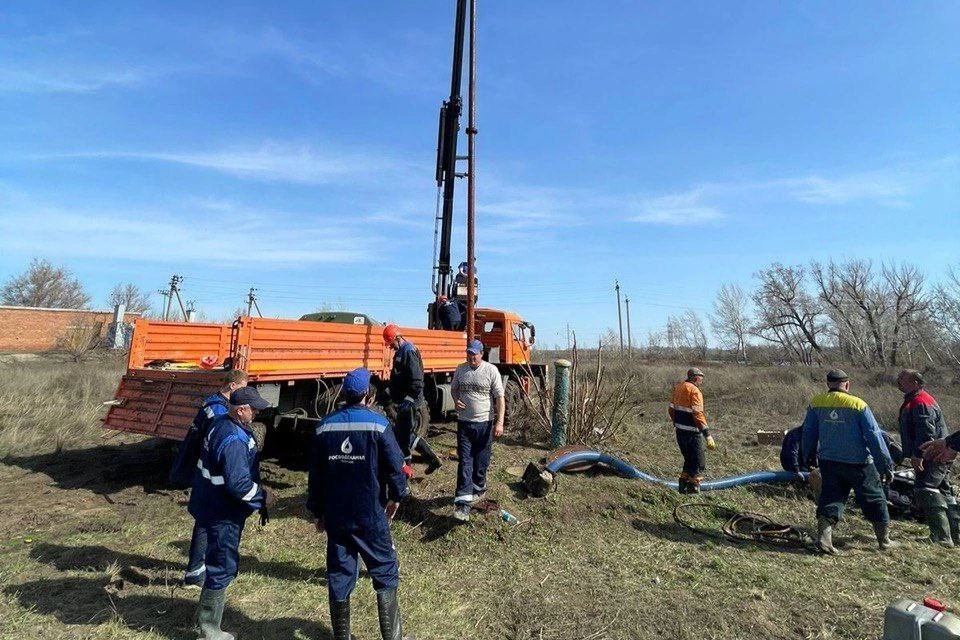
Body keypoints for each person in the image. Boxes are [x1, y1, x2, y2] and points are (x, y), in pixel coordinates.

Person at [307, 367, 411, 640]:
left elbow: (316, 475)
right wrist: (397, 497)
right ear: (368, 395)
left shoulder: (324, 426)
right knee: (385, 572)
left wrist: (317, 511)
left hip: (337, 516)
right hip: (370, 515)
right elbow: (396, 466)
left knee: (340, 574)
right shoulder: (378, 425)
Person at [188, 386, 275, 640]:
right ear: (240, 410)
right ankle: (210, 630)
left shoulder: (219, 423)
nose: (257, 412)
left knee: (218, 562)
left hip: (209, 504)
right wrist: (263, 497)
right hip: (223, 513)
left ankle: (205, 619)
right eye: (254, 408)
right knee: (222, 566)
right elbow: (238, 484)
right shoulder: (234, 440)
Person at [801, 369, 896, 554]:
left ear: (828, 384)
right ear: (847, 384)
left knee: (831, 498)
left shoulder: (816, 403)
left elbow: (808, 431)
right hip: (859, 463)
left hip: (829, 461)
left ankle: (824, 540)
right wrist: (885, 465)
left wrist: (809, 455)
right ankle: (884, 541)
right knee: (875, 499)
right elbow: (874, 436)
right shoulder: (858, 405)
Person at [170, 370, 249, 589]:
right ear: (233, 386)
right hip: (212, 478)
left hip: (205, 473)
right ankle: (197, 573)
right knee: (207, 524)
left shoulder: (212, 402)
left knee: (205, 522)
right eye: (243, 386)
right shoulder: (217, 411)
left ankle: (199, 570)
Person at [897, 369, 956, 546]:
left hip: (932, 455)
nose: (898, 381)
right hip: (939, 454)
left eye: (902, 378)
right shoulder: (916, 400)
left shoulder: (920, 402)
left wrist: (918, 455)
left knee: (926, 488)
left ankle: (941, 537)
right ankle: (955, 534)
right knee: (945, 491)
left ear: (915, 383)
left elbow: (926, 432)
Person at [450, 339, 505, 521]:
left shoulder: (491, 371)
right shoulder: (461, 369)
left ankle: (479, 486)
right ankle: (462, 506)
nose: (471, 356)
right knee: (465, 462)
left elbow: (499, 398)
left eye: (474, 353)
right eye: (469, 353)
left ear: (482, 353)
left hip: (484, 424)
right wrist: (456, 399)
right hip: (464, 423)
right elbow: (454, 389)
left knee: (481, 463)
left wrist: (499, 422)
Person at [382, 324, 442, 474]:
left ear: (397, 338)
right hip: (404, 401)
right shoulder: (401, 351)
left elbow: (416, 381)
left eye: (391, 344)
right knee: (404, 436)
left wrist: (408, 400)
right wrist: (389, 393)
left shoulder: (408, 351)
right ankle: (427, 461)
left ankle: (410, 469)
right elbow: (399, 378)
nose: (390, 347)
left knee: (404, 437)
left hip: (410, 402)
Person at [668, 368, 716, 494]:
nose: (702, 381)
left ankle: (682, 484)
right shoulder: (695, 391)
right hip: (692, 434)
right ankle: (693, 488)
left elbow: (671, 410)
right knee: (698, 462)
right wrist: (707, 435)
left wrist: (677, 422)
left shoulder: (678, 388)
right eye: (701, 379)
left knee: (688, 459)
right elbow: (698, 414)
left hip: (679, 432)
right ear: (695, 378)